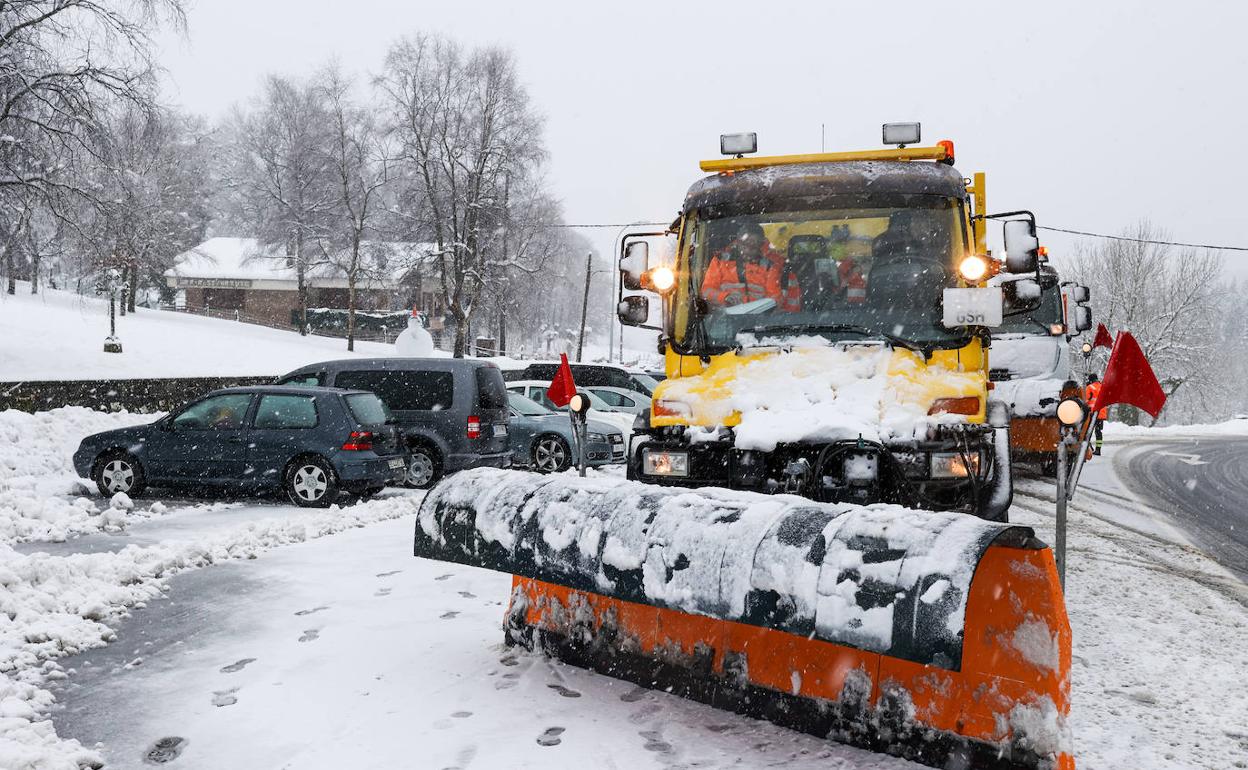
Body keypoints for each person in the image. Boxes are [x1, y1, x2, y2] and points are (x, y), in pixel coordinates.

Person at [701, 221, 801, 311]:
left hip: (757, 321)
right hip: (724, 321)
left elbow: (774, 299)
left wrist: (758, 309)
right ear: (738, 242)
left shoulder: (769, 267)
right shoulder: (719, 261)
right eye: (745, 244)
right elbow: (706, 291)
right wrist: (724, 297)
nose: (748, 250)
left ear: (760, 245)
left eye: (753, 246)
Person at [1084, 373, 1107, 455]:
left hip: (1093, 414)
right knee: (1098, 432)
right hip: (1101, 414)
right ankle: (1098, 449)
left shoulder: (1090, 387)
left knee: (1087, 432)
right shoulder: (1103, 387)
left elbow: (1085, 401)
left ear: (1090, 380)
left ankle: (1087, 448)